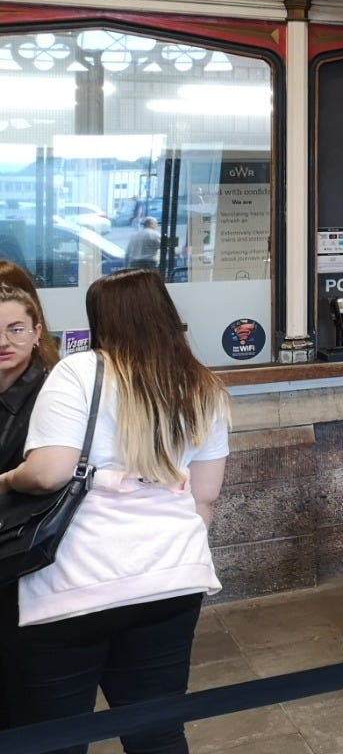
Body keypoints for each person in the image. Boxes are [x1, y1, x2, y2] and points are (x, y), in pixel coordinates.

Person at [0, 267, 230, 754]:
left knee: (56, 735)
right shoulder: (202, 385)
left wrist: (6, 479)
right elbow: (205, 496)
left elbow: (48, 472)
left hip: (76, 583)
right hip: (172, 579)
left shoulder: (81, 370)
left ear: (100, 319)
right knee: (158, 729)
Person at [0, 276, 58, 732]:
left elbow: (46, 479)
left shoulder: (54, 393)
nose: (4, 342)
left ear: (38, 331)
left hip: (23, 555)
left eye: (16, 329)